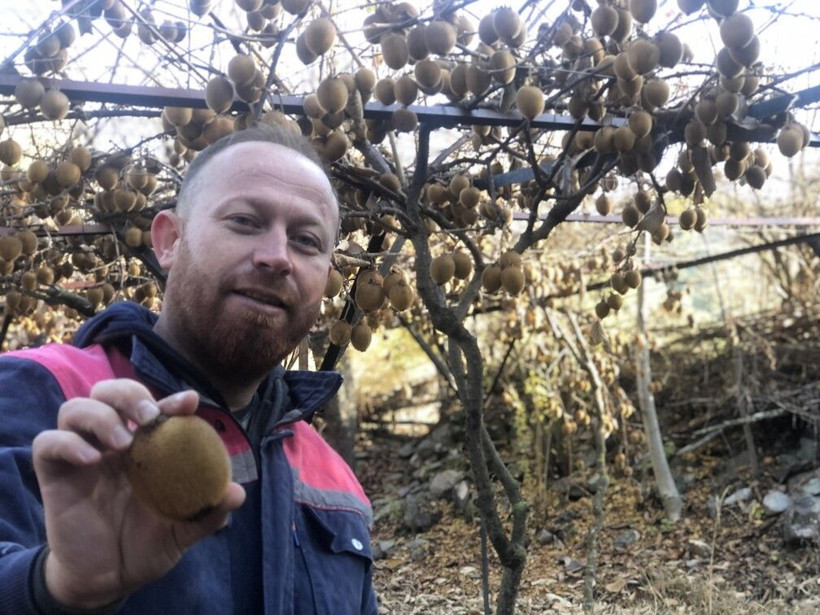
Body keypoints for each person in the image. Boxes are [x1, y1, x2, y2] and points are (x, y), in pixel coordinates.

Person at [0, 125, 377, 614]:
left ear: (326, 276)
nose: (276, 257)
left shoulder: (337, 483)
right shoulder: (37, 393)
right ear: (170, 241)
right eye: (244, 221)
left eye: (306, 240)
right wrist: (48, 587)